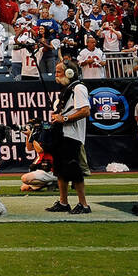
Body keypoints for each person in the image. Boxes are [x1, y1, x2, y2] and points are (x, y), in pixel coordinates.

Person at [45, 59, 91, 214]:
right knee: (59, 169)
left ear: (69, 73)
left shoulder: (78, 88)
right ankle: (63, 202)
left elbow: (85, 111)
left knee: (73, 169)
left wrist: (64, 118)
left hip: (72, 136)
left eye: (59, 71)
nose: (56, 75)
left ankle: (83, 204)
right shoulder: (65, 90)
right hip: (61, 134)